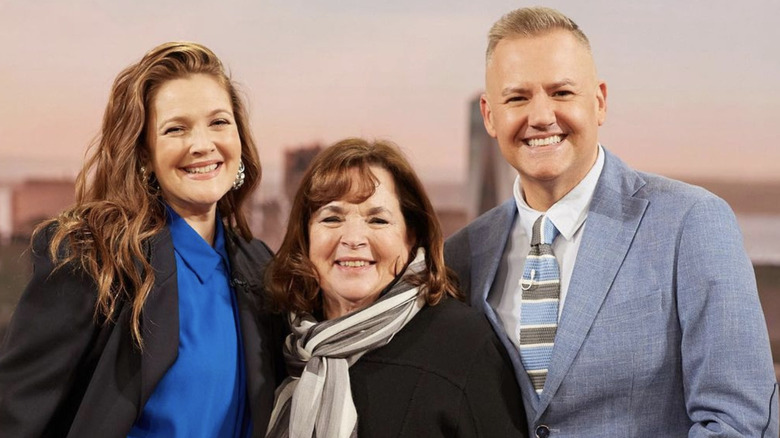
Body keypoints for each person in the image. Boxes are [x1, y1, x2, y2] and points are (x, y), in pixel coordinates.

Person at [444, 6, 778, 438]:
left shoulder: (691, 224)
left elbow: (740, 423)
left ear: (599, 101)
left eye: (562, 92)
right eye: (517, 97)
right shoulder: (464, 255)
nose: (541, 116)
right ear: (490, 115)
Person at [0, 42, 285, 437]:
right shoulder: (92, 257)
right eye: (175, 129)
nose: (202, 145)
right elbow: (18, 415)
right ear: (145, 155)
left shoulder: (259, 265)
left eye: (219, 122)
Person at [263, 138, 527, 438]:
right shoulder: (278, 342)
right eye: (332, 218)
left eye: (377, 220)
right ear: (305, 236)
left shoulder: (463, 345)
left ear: (411, 235)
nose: (353, 238)